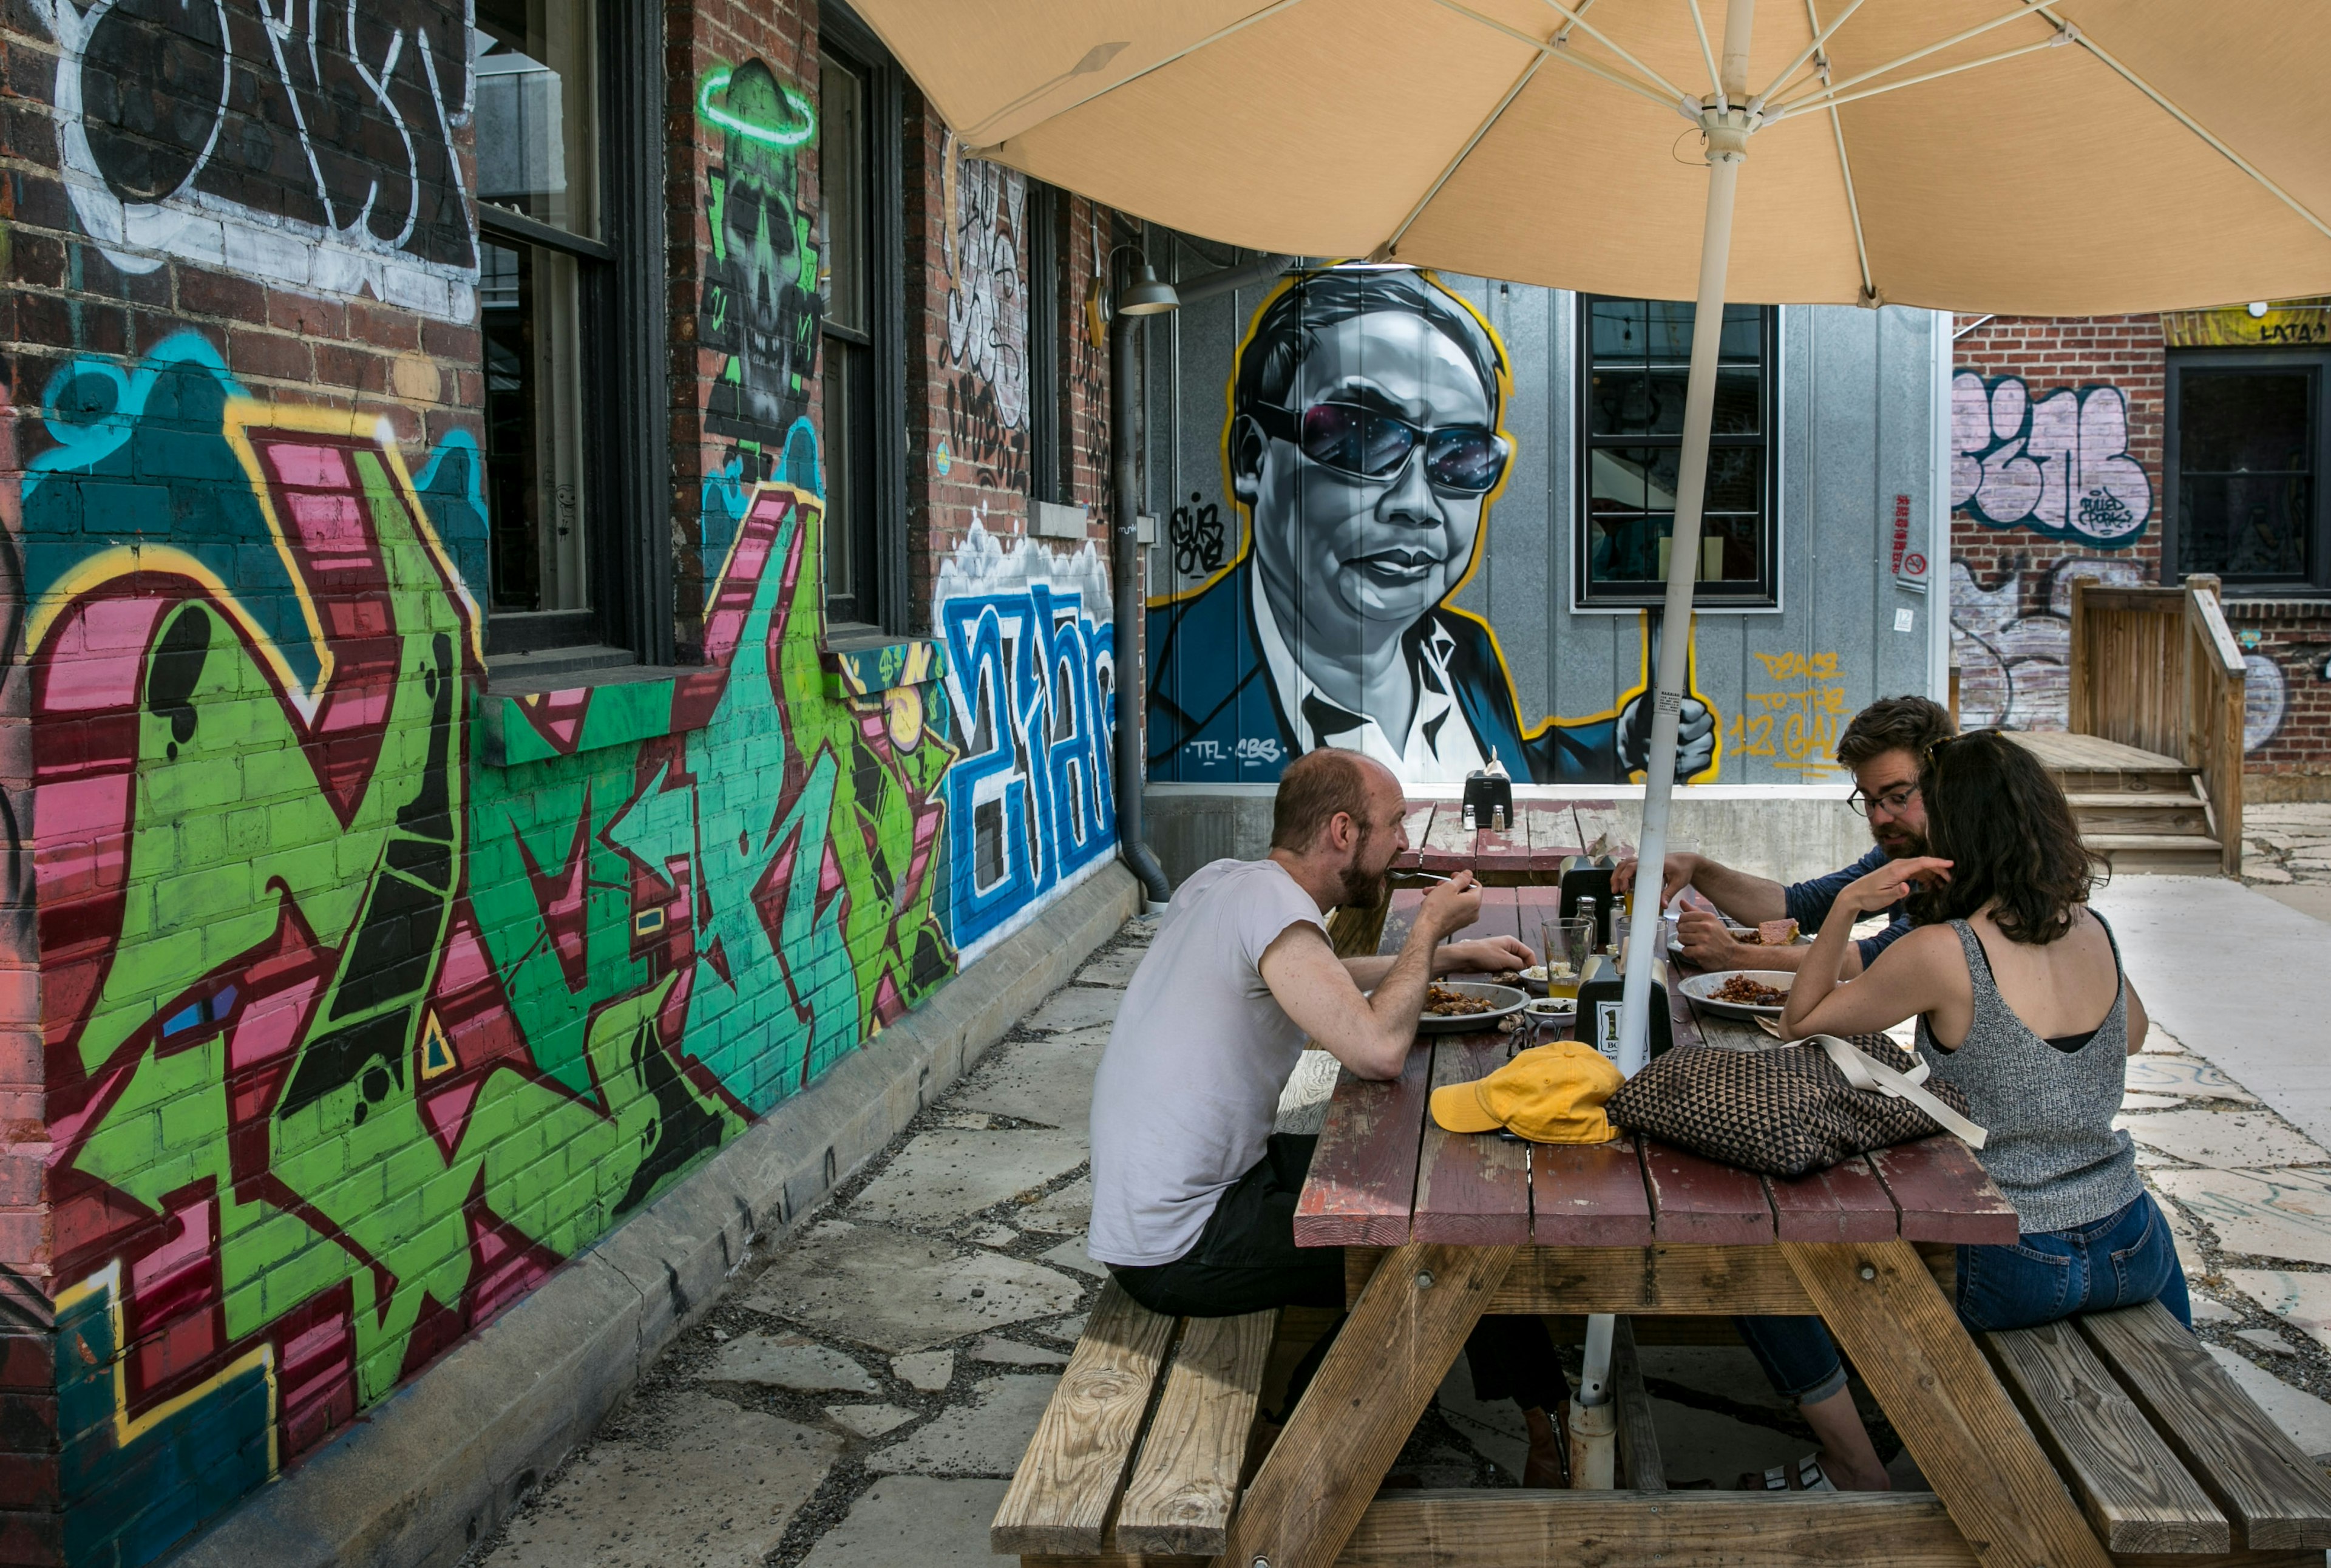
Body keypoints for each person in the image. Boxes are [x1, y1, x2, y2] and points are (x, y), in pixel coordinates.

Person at [1088, 747, 1571, 1483]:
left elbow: (1323, 979)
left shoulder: (1227, 884)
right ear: (1343, 832)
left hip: (1194, 1194)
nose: (1405, 843)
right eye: (1395, 824)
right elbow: (1378, 1051)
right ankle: (1285, 1449)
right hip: (1183, 1242)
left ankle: (1544, 1416)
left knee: (1436, 1196)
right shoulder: (1275, 908)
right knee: (1442, 1254)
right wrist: (1427, 930)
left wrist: (1447, 959)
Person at [1735, 729, 2189, 1492]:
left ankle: (1857, 1465)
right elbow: (2131, 1034)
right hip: (2131, 1243)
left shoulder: (1944, 951)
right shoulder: (2093, 929)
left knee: (1763, 1254)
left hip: (2010, 1257)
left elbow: (1799, 1019)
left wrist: (1847, 906)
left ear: (1957, 831)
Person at [1145, 265, 1715, 786]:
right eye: (1358, 437)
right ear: (1253, 458)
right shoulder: (1152, 684)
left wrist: (1621, 742)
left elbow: (1504, 777)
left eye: (1462, 456)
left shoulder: (1463, 652)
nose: (1417, 503)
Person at [1614, 694, 1953, 978]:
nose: (1879, 817)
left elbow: (1881, 959)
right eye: (1868, 799)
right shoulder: (1907, 849)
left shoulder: (1971, 866)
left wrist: (1735, 956)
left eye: (1897, 798)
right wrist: (1697, 868)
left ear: (1942, 785)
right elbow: (1800, 907)